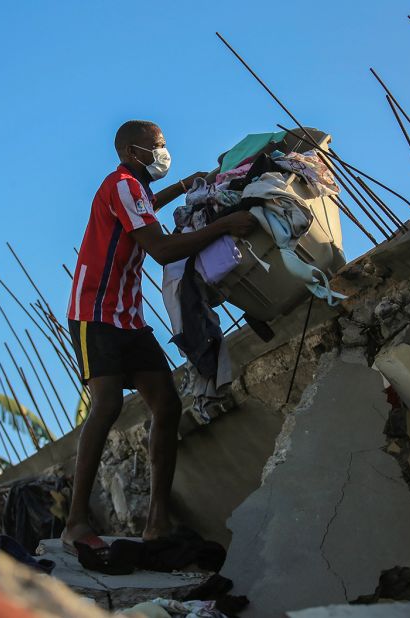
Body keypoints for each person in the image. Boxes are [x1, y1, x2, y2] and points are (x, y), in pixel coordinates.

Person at [62, 120, 257, 553]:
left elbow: (147, 207)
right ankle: (75, 522)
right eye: (158, 146)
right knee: (108, 404)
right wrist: (226, 226)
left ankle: (157, 523)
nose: (165, 153)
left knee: (166, 405)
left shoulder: (133, 188)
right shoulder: (123, 186)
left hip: (128, 317)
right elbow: (163, 250)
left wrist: (183, 186)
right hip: (95, 313)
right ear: (134, 152)